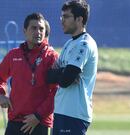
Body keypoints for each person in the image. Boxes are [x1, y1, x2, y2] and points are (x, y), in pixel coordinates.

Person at [0, 12, 58, 135]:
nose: (38, 32)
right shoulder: (14, 55)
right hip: (15, 120)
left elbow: (56, 92)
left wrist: (38, 116)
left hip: (39, 122)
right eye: (34, 28)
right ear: (24, 31)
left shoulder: (51, 57)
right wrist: (0, 94)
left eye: (41, 28)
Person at [47, 0, 98, 135]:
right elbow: (49, 76)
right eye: (61, 16)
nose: (62, 20)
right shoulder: (69, 43)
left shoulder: (84, 44)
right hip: (60, 111)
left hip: (74, 114)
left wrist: (64, 74)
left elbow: (65, 81)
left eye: (66, 17)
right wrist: (64, 72)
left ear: (79, 19)